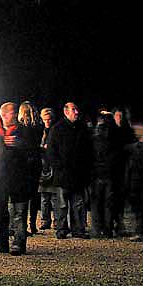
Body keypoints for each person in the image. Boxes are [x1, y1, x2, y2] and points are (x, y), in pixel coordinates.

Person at [0, 102, 30, 255]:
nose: (17, 115)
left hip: (19, 178)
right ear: (4, 115)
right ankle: (0, 242)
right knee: (0, 212)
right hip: (0, 179)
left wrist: (21, 145)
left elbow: (33, 154)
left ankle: (19, 242)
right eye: (13, 112)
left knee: (19, 212)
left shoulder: (24, 132)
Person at [47, 102, 92, 239]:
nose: (77, 112)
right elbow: (51, 151)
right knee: (62, 204)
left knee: (77, 203)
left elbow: (87, 151)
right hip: (63, 174)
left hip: (78, 174)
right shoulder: (57, 129)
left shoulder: (82, 129)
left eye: (77, 109)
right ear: (66, 112)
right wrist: (59, 166)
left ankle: (78, 228)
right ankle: (61, 228)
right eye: (74, 109)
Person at [89, 112, 119, 238]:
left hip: (97, 173)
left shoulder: (93, 139)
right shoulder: (114, 138)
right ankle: (107, 229)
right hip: (109, 173)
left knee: (96, 203)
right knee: (108, 203)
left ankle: (97, 229)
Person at [17, 101, 43, 235]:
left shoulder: (20, 128)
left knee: (23, 195)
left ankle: (22, 224)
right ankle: (32, 224)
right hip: (36, 161)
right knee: (34, 194)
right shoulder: (39, 126)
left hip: (24, 162)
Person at [110, 106, 136, 236]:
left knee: (121, 196)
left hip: (124, 167)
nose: (120, 119)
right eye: (118, 116)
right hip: (113, 168)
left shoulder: (127, 131)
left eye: (121, 116)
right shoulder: (110, 131)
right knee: (113, 197)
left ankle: (120, 222)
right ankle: (114, 222)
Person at [37, 108, 60, 231]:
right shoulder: (40, 131)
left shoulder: (56, 131)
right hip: (43, 166)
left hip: (53, 165)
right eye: (45, 119)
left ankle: (56, 221)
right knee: (45, 197)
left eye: (49, 119)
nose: (47, 121)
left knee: (55, 196)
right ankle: (45, 220)